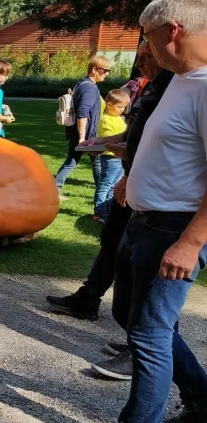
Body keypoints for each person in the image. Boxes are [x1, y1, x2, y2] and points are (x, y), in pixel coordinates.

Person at [68, 0, 207, 423]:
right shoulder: (179, 80)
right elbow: (167, 145)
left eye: (148, 37)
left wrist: (191, 242)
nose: (144, 48)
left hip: (175, 228)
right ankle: (202, 396)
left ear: (174, 30)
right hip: (143, 220)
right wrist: (132, 175)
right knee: (129, 313)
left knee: (149, 331)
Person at [45, 42, 173, 383]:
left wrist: (128, 174)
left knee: (148, 274)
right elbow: (136, 134)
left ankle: (143, 351)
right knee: (113, 242)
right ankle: (89, 300)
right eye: (140, 55)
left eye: (149, 55)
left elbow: (162, 145)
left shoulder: (176, 88)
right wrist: (106, 143)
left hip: (152, 193)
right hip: (135, 182)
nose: (141, 61)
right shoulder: (151, 87)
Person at [54, 54, 111, 198]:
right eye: (104, 70)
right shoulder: (90, 88)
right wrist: (82, 137)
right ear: (94, 69)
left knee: (72, 160)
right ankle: (101, 193)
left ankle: (55, 189)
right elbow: (82, 113)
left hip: (78, 132)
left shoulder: (81, 83)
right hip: (87, 134)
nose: (107, 74)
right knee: (96, 162)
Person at [92, 89, 130, 223]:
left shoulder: (117, 118)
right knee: (105, 184)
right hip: (110, 157)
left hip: (119, 157)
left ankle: (107, 208)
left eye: (124, 107)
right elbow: (109, 138)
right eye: (119, 107)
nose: (122, 110)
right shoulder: (106, 120)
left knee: (114, 184)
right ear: (109, 105)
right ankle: (99, 212)